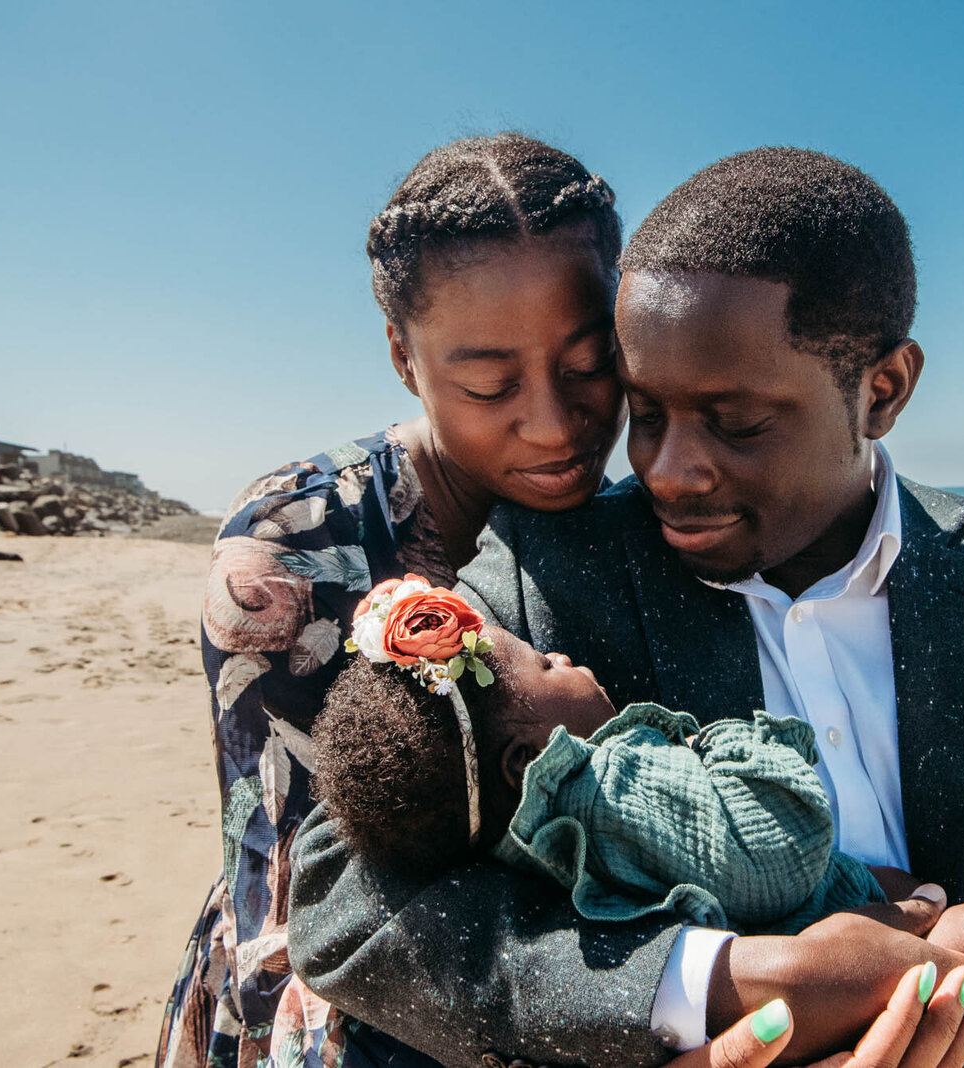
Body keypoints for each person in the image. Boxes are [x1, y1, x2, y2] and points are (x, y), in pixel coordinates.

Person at [288, 148, 964, 1067]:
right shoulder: (551, 571)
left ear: (883, 389)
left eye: (737, 422)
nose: (667, 471)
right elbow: (342, 904)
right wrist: (728, 983)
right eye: (649, 413)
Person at [154, 132, 630, 1068]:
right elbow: (289, 903)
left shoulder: (643, 524)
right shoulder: (288, 557)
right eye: (490, 383)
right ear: (403, 358)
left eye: (588, 365)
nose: (555, 422)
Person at [311, 574, 964, 1039]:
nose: (559, 650)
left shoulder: (508, 826)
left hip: (848, 947)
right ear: (530, 762)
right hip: (835, 969)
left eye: (740, 418)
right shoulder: (617, 779)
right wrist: (731, 744)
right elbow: (782, 841)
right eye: (544, 662)